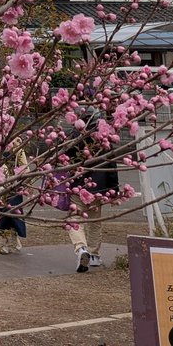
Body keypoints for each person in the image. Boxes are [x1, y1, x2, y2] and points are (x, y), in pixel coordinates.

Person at [62, 114, 120, 273]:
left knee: (74, 218)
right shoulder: (105, 140)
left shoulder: (74, 139)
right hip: (98, 189)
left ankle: (81, 249)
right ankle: (94, 255)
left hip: (78, 186)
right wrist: (114, 190)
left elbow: (63, 158)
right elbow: (112, 166)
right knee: (95, 222)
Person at [0, 146, 29, 253]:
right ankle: (9, 240)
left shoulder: (18, 146)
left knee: (12, 213)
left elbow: (24, 167)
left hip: (14, 185)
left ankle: (11, 240)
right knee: (1, 215)